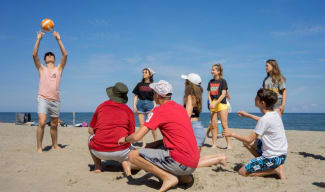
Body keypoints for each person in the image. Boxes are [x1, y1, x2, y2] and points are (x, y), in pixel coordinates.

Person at [118, 80, 226, 192]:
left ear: (158, 95)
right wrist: (154, 144)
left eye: (153, 93)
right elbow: (175, 135)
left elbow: (136, 137)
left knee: (133, 155)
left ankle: (168, 178)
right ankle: (184, 177)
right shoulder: (180, 109)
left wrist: (124, 139)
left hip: (179, 161)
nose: (152, 95)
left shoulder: (158, 111)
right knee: (155, 148)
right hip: (193, 163)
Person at [223, 88, 288, 180]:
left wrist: (232, 133)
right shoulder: (275, 114)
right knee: (246, 143)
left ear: (262, 103)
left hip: (272, 159)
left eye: (257, 97)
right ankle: (269, 166)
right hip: (281, 157)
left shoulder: (264, 120)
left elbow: (250, 138)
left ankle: (275, 170)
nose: (254, 98)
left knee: (242, 172)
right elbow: (263, 121)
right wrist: (248, 115)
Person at [88, 82, 135, 176]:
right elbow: (132, 134)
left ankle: (97, 166)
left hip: (99, 150)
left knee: (90, 138)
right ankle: (126, 163)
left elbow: (90, 129)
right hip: (122, 151)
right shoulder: (128, 110)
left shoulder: (101, 106)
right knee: (135, 153)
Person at [32, 31, 68, 152]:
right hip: (43, 98)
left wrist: (58, 39)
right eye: (47, 55)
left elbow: (65, 55)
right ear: (45, 59)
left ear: (54, 58)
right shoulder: (42, 69)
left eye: (51, 55)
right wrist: (39, 39)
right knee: (42, 123)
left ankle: (54, 145)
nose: (49, 56)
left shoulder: (59, 69)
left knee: (54, 125)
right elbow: (34, 55)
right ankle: (39, 147)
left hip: (55, 100)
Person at [207, 63, 231, 149]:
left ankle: (228, 145)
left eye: (213, 69)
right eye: (211, 69)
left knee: (224, 124)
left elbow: (223, 94)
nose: (211, 71)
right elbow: (209, 94)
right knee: (213, 125)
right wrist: (210, 103)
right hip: (213, 104)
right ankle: (214, 144)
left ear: (218, 71)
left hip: (221, 104)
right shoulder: (210, 82)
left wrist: (215, 103)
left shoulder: (223, 81)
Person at [132, 68, 157, 147]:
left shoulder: (154, 85)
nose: (144, 73)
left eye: (146, 72)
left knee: (152, 125)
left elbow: (156, 97)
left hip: (150, 104)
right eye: (143, 72)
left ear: (150, 74)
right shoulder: (139, 84)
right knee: (142, 126)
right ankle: (144, 143)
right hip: (140, 105)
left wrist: (155, 106)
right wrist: (134, 106)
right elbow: (136, 96)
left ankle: (155, 142)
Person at [181, 73, 206, 150]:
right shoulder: (197, 97)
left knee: (191, 160)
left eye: (186, 81)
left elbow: (187, 115)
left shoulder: (190, 97)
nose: (184, 82)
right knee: (196, 159)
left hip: (193, 129)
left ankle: (220, 158)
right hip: (199, 127)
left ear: (189, 83)